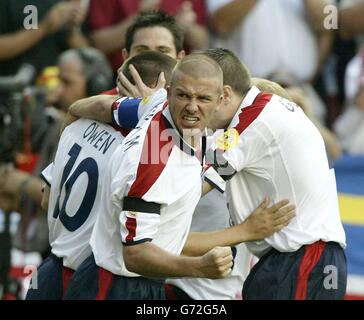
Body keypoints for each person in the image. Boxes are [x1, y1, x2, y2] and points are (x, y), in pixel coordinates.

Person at [64, 54, 295, 300]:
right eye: (184, 96)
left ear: (221, 99)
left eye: (203, 98)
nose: (192, 107)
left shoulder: (158, 104)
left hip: (134, 281)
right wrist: (202, 265)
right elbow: (136, 254)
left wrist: (72, 114)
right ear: (171, 90)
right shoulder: (154, 163)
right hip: (118, 285)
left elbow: (102, 107)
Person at [201, 48, 347, 300]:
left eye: (201, 97)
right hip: (299, 261)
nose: (194, 108)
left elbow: (194, 187)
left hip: (301, 261)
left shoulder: (249, 123)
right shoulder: (261, 110)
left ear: (224, 94)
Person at [87, 1, 208, 72]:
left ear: (180, 57)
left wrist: (186, 25)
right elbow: (99, 43)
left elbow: (202, 40)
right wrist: (139, 15)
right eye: (143, 50)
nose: (152, 56)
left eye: (162, 50)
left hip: (173, 79)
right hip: (119, 74)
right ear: (126, 55)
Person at [0, 0, 89, 77]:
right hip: (11, 87)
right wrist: (43, 28)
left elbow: (89, 55)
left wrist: (72, 32)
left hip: (56, 87)